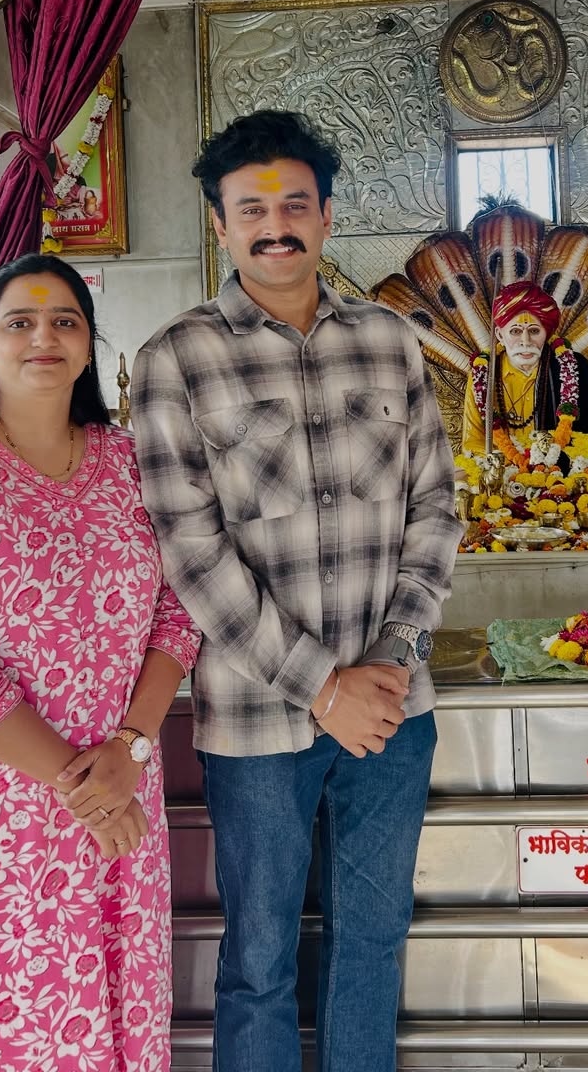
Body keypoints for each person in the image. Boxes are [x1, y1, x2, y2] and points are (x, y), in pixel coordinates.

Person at [131, 109, 461, 1072]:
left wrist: (392, 661)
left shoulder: (392, 343)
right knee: (261, 959)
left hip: (395, 715)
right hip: (256, 722)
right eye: (252, 209)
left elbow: (436, 508)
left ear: (324, 217)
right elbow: (190, 554)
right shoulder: (174, 361)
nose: (276, 226)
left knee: (373, 942)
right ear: (220, 225)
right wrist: (323, 685)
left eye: (295, 206)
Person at [0, 252, 201, 1072]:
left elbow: (178, 610)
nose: (43, 338)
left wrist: (128, 752)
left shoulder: (130, 465)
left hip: (119, 789)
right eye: (18, 322)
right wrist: (83, 786)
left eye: (64, 321)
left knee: (116, 1009)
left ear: (90, 346)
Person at [461, 280, 588, 459]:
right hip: (499, 469)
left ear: (547, 333)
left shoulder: (573, 367)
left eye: (534, 331)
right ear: (499, 335)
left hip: (559, 469)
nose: (525, 341)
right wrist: (511, 464)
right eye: (515, 331)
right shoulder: (482, 374)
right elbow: (472, 444)